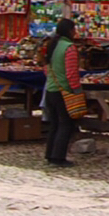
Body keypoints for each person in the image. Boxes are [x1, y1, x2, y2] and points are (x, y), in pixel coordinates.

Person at [39, 17, 83, 167]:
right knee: (65, 124)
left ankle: (50, 154)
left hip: (51, 89)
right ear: (70, 31)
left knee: (55, 124)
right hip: (63, 91)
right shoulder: (69, 48)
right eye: (74, 29)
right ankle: (59, 157)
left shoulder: (52, 46)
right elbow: (71, 73)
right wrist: (77, 91)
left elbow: (46, 68)